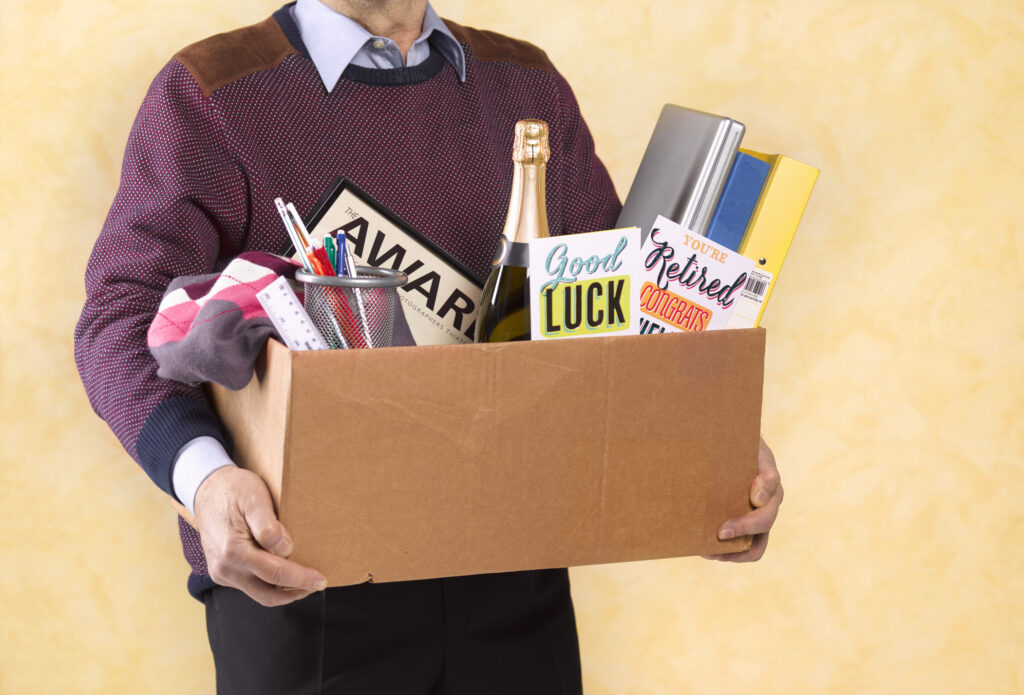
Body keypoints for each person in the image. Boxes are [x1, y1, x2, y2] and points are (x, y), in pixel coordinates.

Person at [74, 1, 784, 692]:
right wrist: (206, 481)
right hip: (303, 588)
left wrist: (707, 441)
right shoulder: (213, 93)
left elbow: (612, 316)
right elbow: (121, 316)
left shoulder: (528, 85)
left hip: (517, 574)